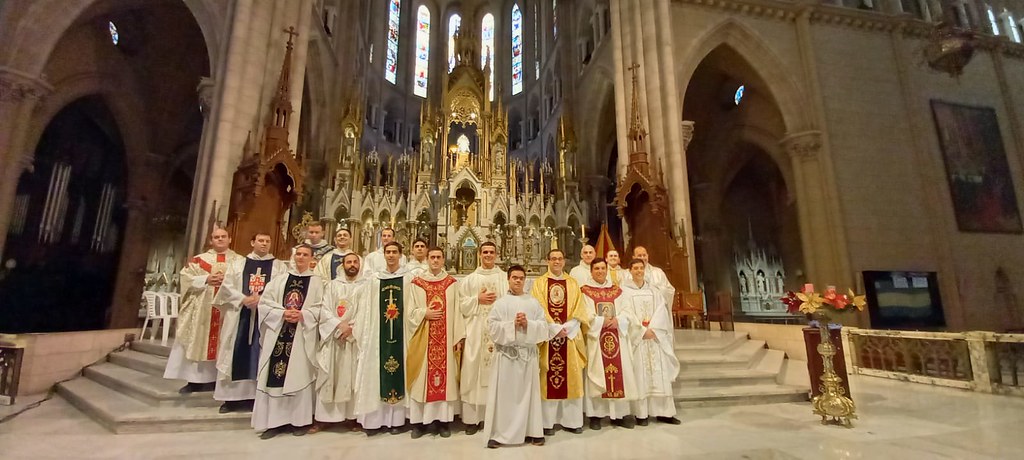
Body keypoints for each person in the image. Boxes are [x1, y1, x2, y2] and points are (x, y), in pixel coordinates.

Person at [252, 244, 323, 439]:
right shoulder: (279, 280)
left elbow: (323, 308)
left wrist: (304, 315)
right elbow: (264, 304)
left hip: (302, 335)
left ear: (311, 258)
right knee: (274, 375)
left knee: (299, 374)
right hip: (278, 333)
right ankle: (273, 423)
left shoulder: (318, 283)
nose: (300, 257)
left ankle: (299, 421)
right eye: (298, 254)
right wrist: (282, 313)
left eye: (305, 255)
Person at [212, 232, 287, 413]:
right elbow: (227, 287)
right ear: (252, 242)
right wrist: (243, 298)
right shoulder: (238, 264)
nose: (264, 244)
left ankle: (256, 398)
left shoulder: (278, 266)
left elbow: (281, 288)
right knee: (233, 352)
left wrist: (262, 300)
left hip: (265, 316)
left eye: (267, 241)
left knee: (261, 352)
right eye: (260, 241)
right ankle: (230, 399)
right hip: (240, 314)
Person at [483, 265, 554, 448]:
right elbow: (491, 326)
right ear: (508, 279)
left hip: (526, 356)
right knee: (505, 398)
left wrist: (528, 324)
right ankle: (500, 435)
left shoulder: (533, 303)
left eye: (521, 278)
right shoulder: (500, 303)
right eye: (514, 277)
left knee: (528, 396)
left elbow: (544, 327)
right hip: (507, 357)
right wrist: (512, 325)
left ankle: (533, 432)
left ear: (525, 280)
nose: (518, 281)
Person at [164, 227, 242, 394]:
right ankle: (194, 381)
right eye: (216, 237)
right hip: (202, 308)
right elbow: (185, 279)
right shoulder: (199, 261)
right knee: (198, 340)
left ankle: (219, 381)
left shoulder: (239, 261)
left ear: (229, 239)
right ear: (210, 240)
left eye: (223, 237)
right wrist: (206, 278)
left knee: (225, 341)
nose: (220, 239)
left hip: (227, 309)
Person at [405, 247, 465, 438]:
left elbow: (457, 312)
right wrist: (425, 313)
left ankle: (443, 422)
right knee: (421, 379)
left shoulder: (451, 283)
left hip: (446, 342)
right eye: (432, 257)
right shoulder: (417, 283)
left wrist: (458, 337)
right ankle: (419, 423)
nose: (436, 260)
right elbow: (410, 311)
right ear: (427, 260)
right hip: (423, 338)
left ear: (443, 259)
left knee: (445, 381)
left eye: (439, 257)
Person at [353, 241, 410, 435]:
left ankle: (397, 420)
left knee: (400, 369)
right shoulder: (374, 280)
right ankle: (375, 421)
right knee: (375, 372)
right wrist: (364, 332)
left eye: (395, 252)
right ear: (384, 255)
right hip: (378, 334)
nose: (392, 255)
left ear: (401, 255)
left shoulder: (409, 279)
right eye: (388, 252)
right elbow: (365, 309)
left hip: (401, 334)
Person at [530, 248, 587, 436]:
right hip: (549, 337)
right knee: (547, 376)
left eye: (559, 259)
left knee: (572, 375)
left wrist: (567, 328)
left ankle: (572, 421)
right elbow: (537, 306)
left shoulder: (573, 283)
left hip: (569, 337)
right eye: (553, 258)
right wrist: (554, 328)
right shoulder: (539, 283)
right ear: (547, 261)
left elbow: (580, 309)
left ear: (564, 261)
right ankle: (548, 422)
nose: (556, 262)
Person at [620, 259, 681, 426]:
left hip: (655, 337)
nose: (639, 271)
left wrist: (653, 329)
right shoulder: (624, 291)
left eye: (641, 268)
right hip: (638, 339)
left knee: (659, 374)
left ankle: (665, 413)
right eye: (636, 268)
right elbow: (625, 313)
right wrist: (640, 331)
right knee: (640, 375)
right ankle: (641, 414)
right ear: (630, 271)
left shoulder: (654, 291)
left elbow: (662, 311)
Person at [579, 258, 637, 430]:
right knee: (597, 374)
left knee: (620, 374)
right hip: (597, 339)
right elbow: (584, 314)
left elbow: (628, 311)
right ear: (591, 271)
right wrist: (600, 321)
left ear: (607, 270)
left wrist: (618, 320)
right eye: (596, 268)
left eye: (603, 268)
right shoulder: (585, 292)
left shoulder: (617, 291)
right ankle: (596, 415)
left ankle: (619, 414)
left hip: (617, 336)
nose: (600, 271)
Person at [458, 241, 507, 434]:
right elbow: (461, 304)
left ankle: (495, 417)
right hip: (476, 330)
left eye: (491, 252)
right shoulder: (470, 279)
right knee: (473, 371)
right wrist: (477, 299)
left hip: (497, 332)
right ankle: (472, 419)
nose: (488, 255)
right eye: (485, 252)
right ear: (479, 254)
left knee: (497, 372)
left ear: (496, 254)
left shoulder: (504, 277)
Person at [313, 253, 365, 432]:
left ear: (360, 264)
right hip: (333, 336)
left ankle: (352, 418)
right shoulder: (333, 285)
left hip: (353, 338)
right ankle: (324, 418)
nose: (352, 265)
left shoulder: (364, 286)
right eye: (348, 262)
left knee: (351, 376)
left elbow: (366, 312)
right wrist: (338, 325)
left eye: (355, 262)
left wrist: (352, 328)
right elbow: (325, 309)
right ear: (342, 265)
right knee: (329, 373)